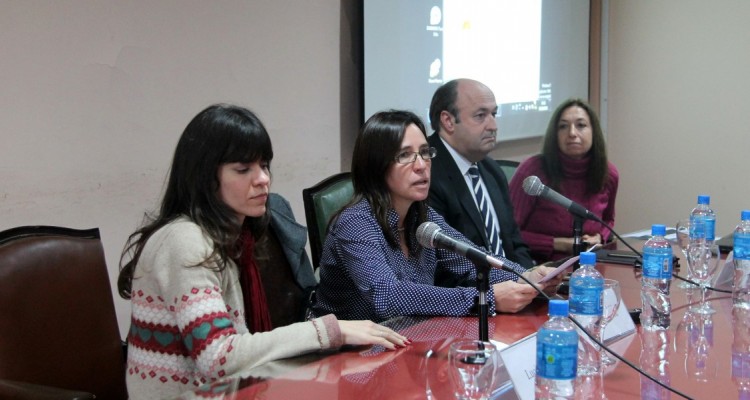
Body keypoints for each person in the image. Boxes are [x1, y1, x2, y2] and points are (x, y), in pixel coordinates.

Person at [117, 104, 407, 399]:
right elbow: (218, 357)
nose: (263, 179)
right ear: (204, 177)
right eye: (243, 169)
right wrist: (329, 331)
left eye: (264, 165)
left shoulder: (225, 239)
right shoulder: (186, 241)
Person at [311, 110, 560, 323]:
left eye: (424, 152)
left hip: (410, 340)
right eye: (405, 155)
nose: (421, 165)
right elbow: (387, 297)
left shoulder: (422, 217)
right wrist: (487, 299)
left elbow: (474, 261)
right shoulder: (356, 223)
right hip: (347, 356)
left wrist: (525, 276)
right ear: (376, 167)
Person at [427, 78, 535, 269]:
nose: (493, 126)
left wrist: (530, 278)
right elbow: (446, 263)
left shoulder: (491, 170)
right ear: (448, 121)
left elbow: (514, 243)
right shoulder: (426, 173)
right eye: (480, 116)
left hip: (513, 288)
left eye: (494, 114)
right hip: (470, 292)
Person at [508, 98, 619, 262]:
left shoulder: (608, 174)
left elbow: (608, 219)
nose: (572, 133)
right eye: (563, 126)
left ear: (594, 131)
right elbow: (508, 233)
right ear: (555, 134)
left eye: (581, 125)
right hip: (538, 267)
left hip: (590, 264)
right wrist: (557, 244)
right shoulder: (532, 171)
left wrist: (600, 237)